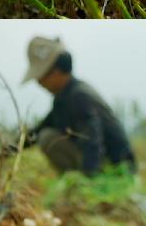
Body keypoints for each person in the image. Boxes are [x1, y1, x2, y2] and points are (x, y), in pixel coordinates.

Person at [22, 36, 137, 176]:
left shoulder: (79, 97)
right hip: (104, 162)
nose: (39, 83)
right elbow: (39, 129)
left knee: (47, 138)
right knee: (45, 133)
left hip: (114, 166)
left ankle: (86, 181)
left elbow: (93, 140)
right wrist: (8, 149)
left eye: (41, 78)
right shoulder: (64, 97)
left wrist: (89, 182)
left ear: (56, 73)